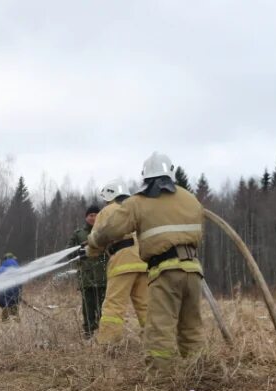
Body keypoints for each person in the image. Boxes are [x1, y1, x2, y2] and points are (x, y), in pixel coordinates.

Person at [87, 152, 205, 375]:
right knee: (191, 327)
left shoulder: (138, 202)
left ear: (145, 176)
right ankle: (198, 372)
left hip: (165, 271)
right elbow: (198, 233)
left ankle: (163, 378)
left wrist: (92, 242)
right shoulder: (190, 199)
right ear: (171, 172)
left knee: (160, 327)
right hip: (193, 270)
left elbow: (111, 231)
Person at [92, 179, 149, 343]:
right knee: (147, 306)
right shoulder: (136, 210)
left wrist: (89, 250)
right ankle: (155, 342)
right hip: (144, 262)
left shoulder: (108, 210)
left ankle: (107, 343)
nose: (105, 202)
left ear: (110, 195)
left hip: (123, 262)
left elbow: (98, 237)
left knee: (114, 305)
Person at [69, 205, 108, 338]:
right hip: (86, 277)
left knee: (103, 305)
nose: (93, 217)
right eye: (90, 215)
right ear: (86, 217)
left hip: (103, 276)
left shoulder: (105, 231)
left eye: (96, 214)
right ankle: (89, 332)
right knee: (88, 306)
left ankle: (103, 332)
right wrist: (80, 251)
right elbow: (69, 253)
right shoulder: (78, 233)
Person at [0, 252, 22, 321]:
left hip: (3, 294)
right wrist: (20, 293)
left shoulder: (0, 269)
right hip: (15, 294)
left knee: (5, 310)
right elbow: (20, 283)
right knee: (14, 309)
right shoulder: (17, 268)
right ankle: (16, 322)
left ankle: (5, 320)